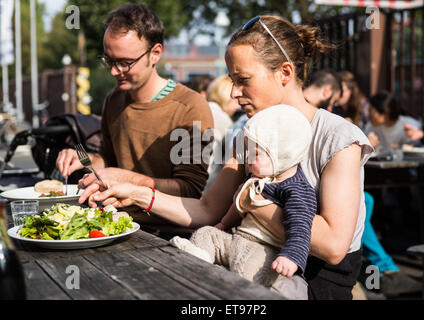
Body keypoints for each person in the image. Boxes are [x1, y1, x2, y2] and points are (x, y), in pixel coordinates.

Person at [80, 15, 373, 300]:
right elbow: (208, 211)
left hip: (312, 284)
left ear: (284, 72)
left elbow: (334, 245)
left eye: (243, 79)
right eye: (232, 80)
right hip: (250, 269)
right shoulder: (249, 134)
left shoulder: (338, 137)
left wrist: (249, 202)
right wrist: (138, 195)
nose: (234, 93)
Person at [56, 4, 214, 233]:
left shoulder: (190, 107)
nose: (113, 71)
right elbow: (107, 161)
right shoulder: (114, 99)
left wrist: (127, 179)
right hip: (115, 222)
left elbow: (189, 191)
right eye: (109, 60)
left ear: (155, 53)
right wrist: (80, 156)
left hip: (170, 234)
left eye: (125, 63)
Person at [170, 105, 316, 299]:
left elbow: (301, 227)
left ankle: (232, 291)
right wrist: (224, 224)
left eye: (255, 154)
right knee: (206, 233)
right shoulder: (259, 176)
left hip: (265, 250)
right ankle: (200, 259)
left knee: (246, 269)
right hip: (237, 238)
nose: (247, 158)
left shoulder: (295, 189)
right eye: (247, 152)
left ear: (281, 154)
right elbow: (238, 205)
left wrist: (291, 257)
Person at [202, 75, 240, 193]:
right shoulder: (223, 119)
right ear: (227, 97)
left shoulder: (204, 109)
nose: (239, 105)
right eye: (235, 100)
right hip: (207, 186)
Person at [365, 90, 422, 156]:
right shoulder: (371, 126)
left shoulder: (410, 125)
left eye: (371, 111)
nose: (368, 116)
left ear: (386, 113)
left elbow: (417, 149)